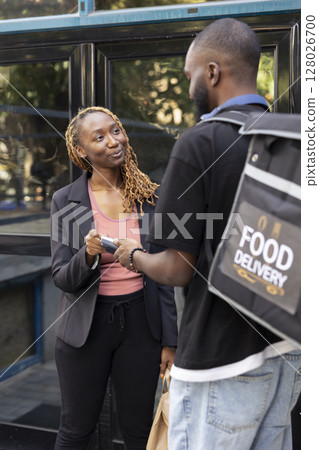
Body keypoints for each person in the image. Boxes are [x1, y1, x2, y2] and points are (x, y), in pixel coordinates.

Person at [114, 19, 301, 449]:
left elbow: (177, 268)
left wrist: (133, 255)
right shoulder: (290, 136)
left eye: (190, 74)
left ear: (212, 72)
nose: (190, 84)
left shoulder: (200, 142)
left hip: (220, 361)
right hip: (286, 348)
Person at [50, 106, 177, 450]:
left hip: (140, 325)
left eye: (116, 130)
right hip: (84, 329)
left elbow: (163, 273)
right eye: (100, 137)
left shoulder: (149, 195)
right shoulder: (65, 200)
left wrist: (169, 340)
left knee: (138, 431)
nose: (113, 141)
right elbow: (62, 277)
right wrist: (88, 253)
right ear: (81, 151)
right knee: (76, 430)